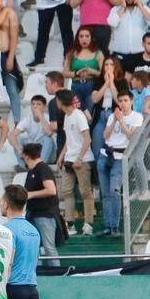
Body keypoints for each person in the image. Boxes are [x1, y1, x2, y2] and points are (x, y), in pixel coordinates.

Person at [97, 90, 141, 236]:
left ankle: (115, 226)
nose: (123, 103)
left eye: (125, 100)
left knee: (114, 190)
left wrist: (121, 120)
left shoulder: (136, 117)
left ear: (131, 101)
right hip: (106, 154)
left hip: (120, 156)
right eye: (120, 101)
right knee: (105, 193)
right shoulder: (111, 116)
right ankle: (107, 225)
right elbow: (105, 135)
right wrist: (115, 120)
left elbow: (131, 136)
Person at [56, 89, 96, 236]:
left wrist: (80, 158)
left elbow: (87, 138)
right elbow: (69, 139)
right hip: (69, 159)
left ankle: (88, 224)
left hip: (82, 159)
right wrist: (62, 156)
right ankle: (70, 224)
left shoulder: (78, 116)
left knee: (85, 192)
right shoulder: (67, 116)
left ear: (61, 101)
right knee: (67, 191)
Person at [23, 142, 60, 264]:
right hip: (33, 213)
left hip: (45, 214)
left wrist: (31, 194)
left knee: (49, 248)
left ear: (27, 157)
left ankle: (57, 273)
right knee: (35, 247)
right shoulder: (32, 170)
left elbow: (51, 190)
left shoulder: (43, 169)